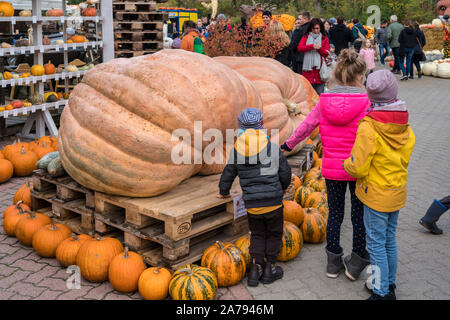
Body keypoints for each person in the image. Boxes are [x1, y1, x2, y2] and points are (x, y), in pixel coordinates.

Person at [281, 49, 371, 281]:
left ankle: (333, 263)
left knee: (335, 215)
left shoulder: (325, 100)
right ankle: (357, 261)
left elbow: (306, 126)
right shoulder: (366, 101)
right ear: (360, 76)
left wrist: (288, 145)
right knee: (359, 216)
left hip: (332, 169)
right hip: (359, 169)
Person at [344, 70, 415, 300]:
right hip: (397, 191)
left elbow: (359, 166)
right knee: (389, 240)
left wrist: (347, 164)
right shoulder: (404, 122)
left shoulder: (369, 126)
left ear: (371, 96)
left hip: (375, 194)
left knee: (375, 245)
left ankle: (380, 292)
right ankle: (389, 284)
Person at [218, 108, 291, 287]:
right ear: (261, 126)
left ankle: (255, 269)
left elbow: (228, 173)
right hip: (273, 203)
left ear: (241, 128)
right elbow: (285, 173)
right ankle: (270, 268)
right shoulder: (272, 148)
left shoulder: (237, 151)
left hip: (252, 205)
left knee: (257, 234)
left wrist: (224, 191)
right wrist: (281, 188)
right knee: (274, 234)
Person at [297, 18, 330, 95]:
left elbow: (326, 53)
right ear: (310, 28)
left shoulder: (324, 38)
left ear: (321, 28)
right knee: (308, 94)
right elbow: (299, 48)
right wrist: (311, 46)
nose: (315, 31)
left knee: (319, 94)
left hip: (320, 70)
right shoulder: (305, 36)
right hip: (308, 70)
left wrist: (319, 48)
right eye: (313, 29)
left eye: (317, 28)